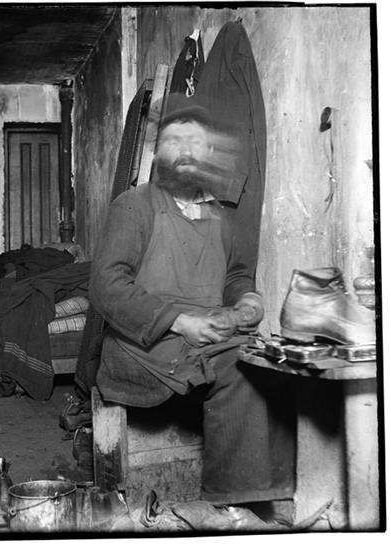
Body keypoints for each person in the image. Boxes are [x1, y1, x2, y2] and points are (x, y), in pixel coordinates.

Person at [89, 95, 295, 511]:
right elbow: (106, 286)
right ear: (157, 153)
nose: (184, 150)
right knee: (240, 370)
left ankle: (259, 499)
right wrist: (180, 321)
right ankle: (231, 507)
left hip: (205, 339)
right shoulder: (134, 205)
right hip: (142, 346)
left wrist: (247, 300)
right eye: (173, 140)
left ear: (210, 152)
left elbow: (236, 276)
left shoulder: (221, 215)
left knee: (269, 363)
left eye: (194, 141)